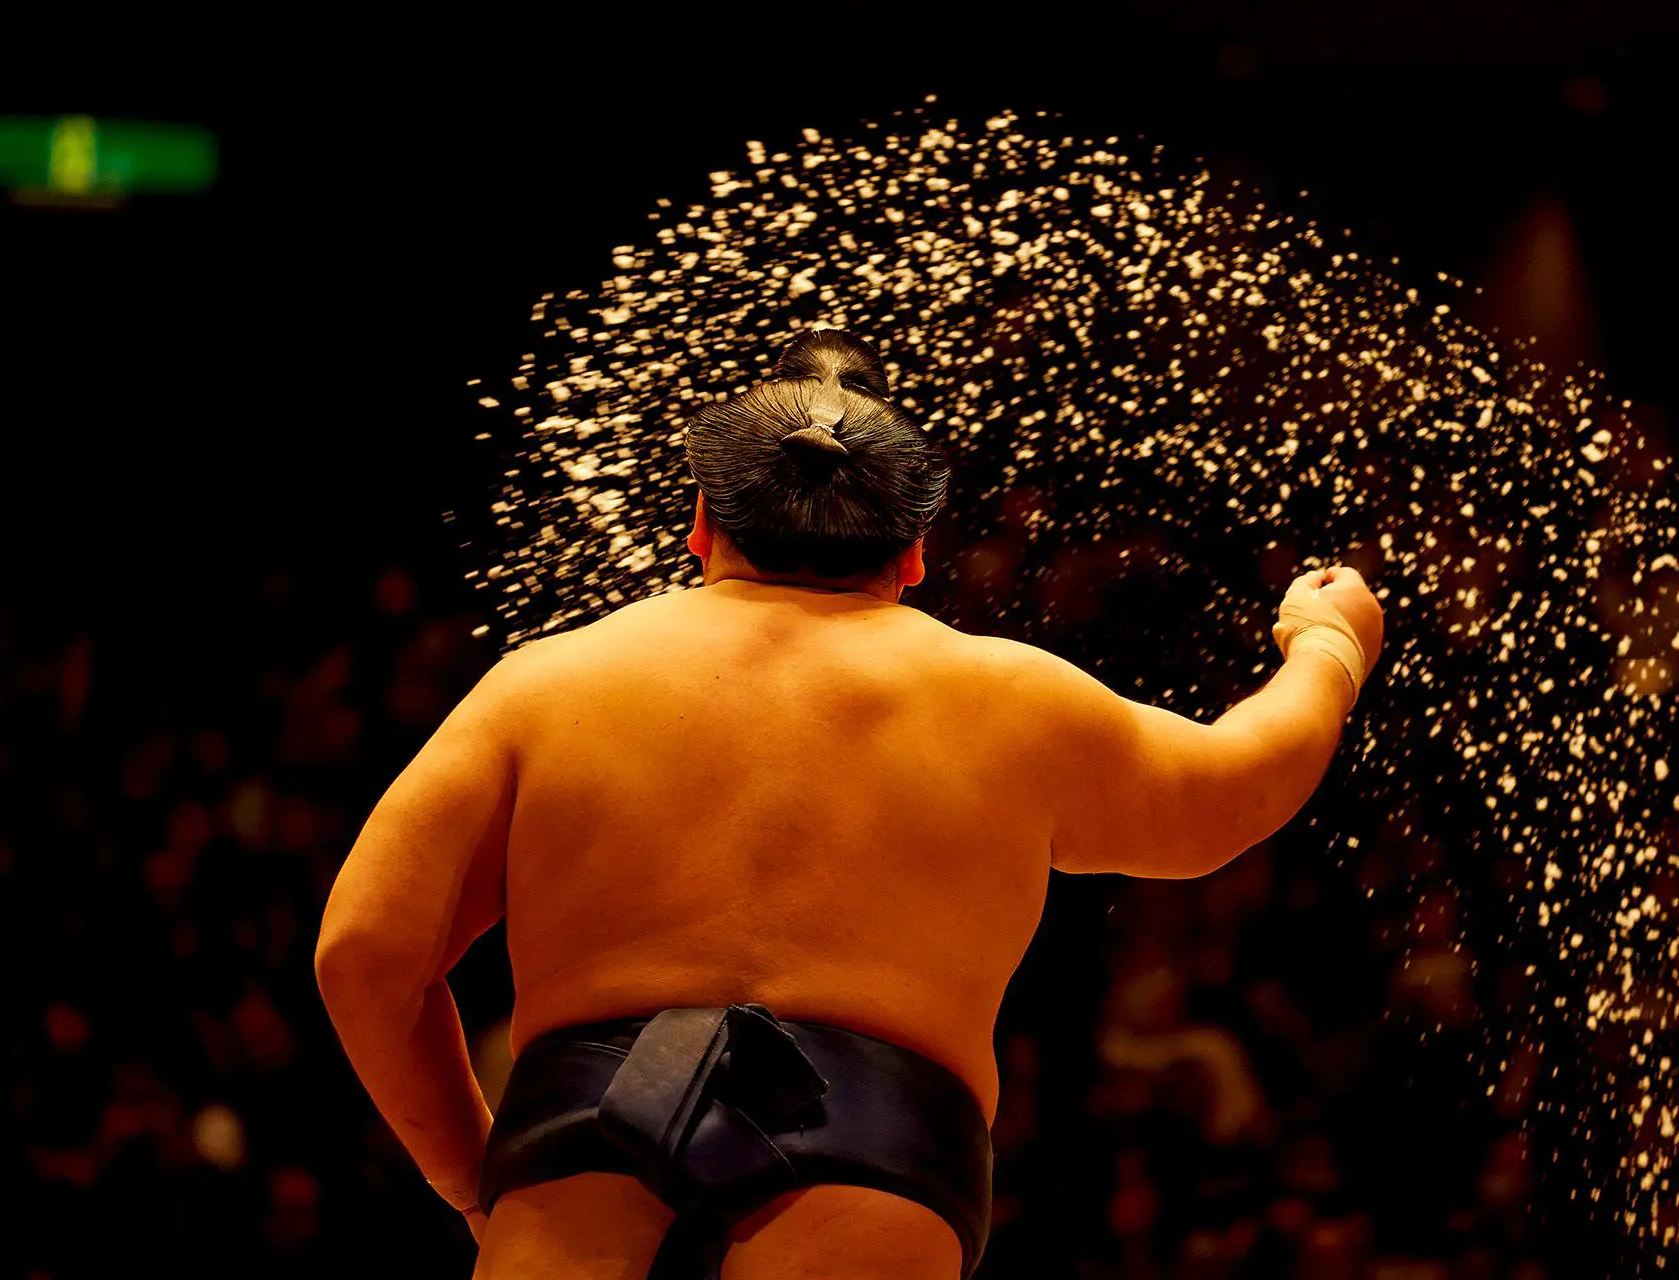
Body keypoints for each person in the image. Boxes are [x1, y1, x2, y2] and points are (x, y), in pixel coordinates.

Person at [314, 328, 1384, 1280]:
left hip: (575, 1157)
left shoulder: (546, 683)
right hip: (878, 1158)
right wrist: (1328, 647)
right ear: (915, 551)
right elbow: (1230, 792)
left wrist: (472, 1175)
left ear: (700, 523)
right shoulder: (1007, 697)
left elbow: (364, 950)